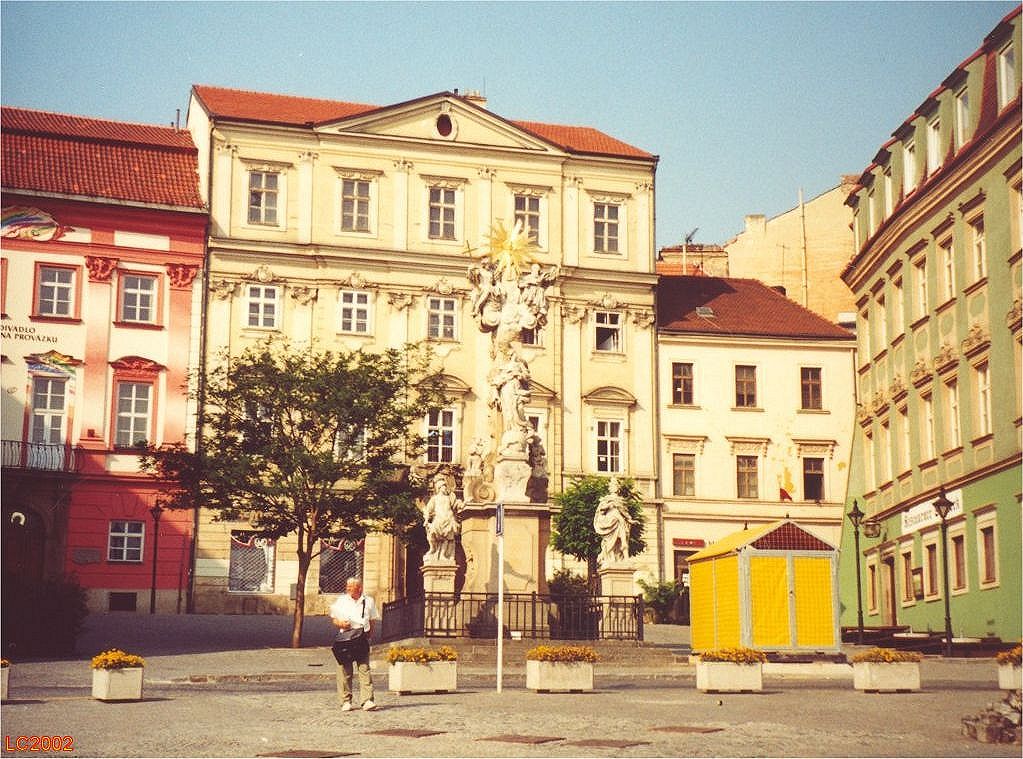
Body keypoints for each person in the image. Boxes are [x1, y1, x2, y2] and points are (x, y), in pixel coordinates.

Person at [329, 577, 378, 711]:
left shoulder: (369, 601)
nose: (348, 588)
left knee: (364, 668)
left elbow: (372, 619)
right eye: (348, 586)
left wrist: (369, 635)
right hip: (346, 638)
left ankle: (367, 700)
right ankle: (346, 701)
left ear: (359, 588)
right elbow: (334, 618)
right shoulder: (342, 600)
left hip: (362, 637)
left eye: (351, 587)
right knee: (345, 670)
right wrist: (341, 623)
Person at [592, 475, 635, 567]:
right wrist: (610, 504)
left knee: (623, 540)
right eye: (612, 486)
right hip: (610, 521)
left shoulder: (621, 500)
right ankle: (611, 558)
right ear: (610, 488)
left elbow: (624, 512)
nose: (614, 488)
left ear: (618, 489)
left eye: (615, 486)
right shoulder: (606, 499)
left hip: (619, 521)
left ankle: (626, 558)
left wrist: (630, 520)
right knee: (611, 541)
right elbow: (601, 510)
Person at [424, 475, 462, 563]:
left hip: (448, 519)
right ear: (439, 488)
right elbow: (428, 510)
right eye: (443, 486)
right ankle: (433, 549)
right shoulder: (435, 498)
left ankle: (442, 555)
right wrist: (426, 520)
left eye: (445, 486)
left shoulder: (449, 497)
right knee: (432, 535)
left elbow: (455, 504)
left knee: (447, 539)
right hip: (438, 519)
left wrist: (460, 504)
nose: (445, 488)